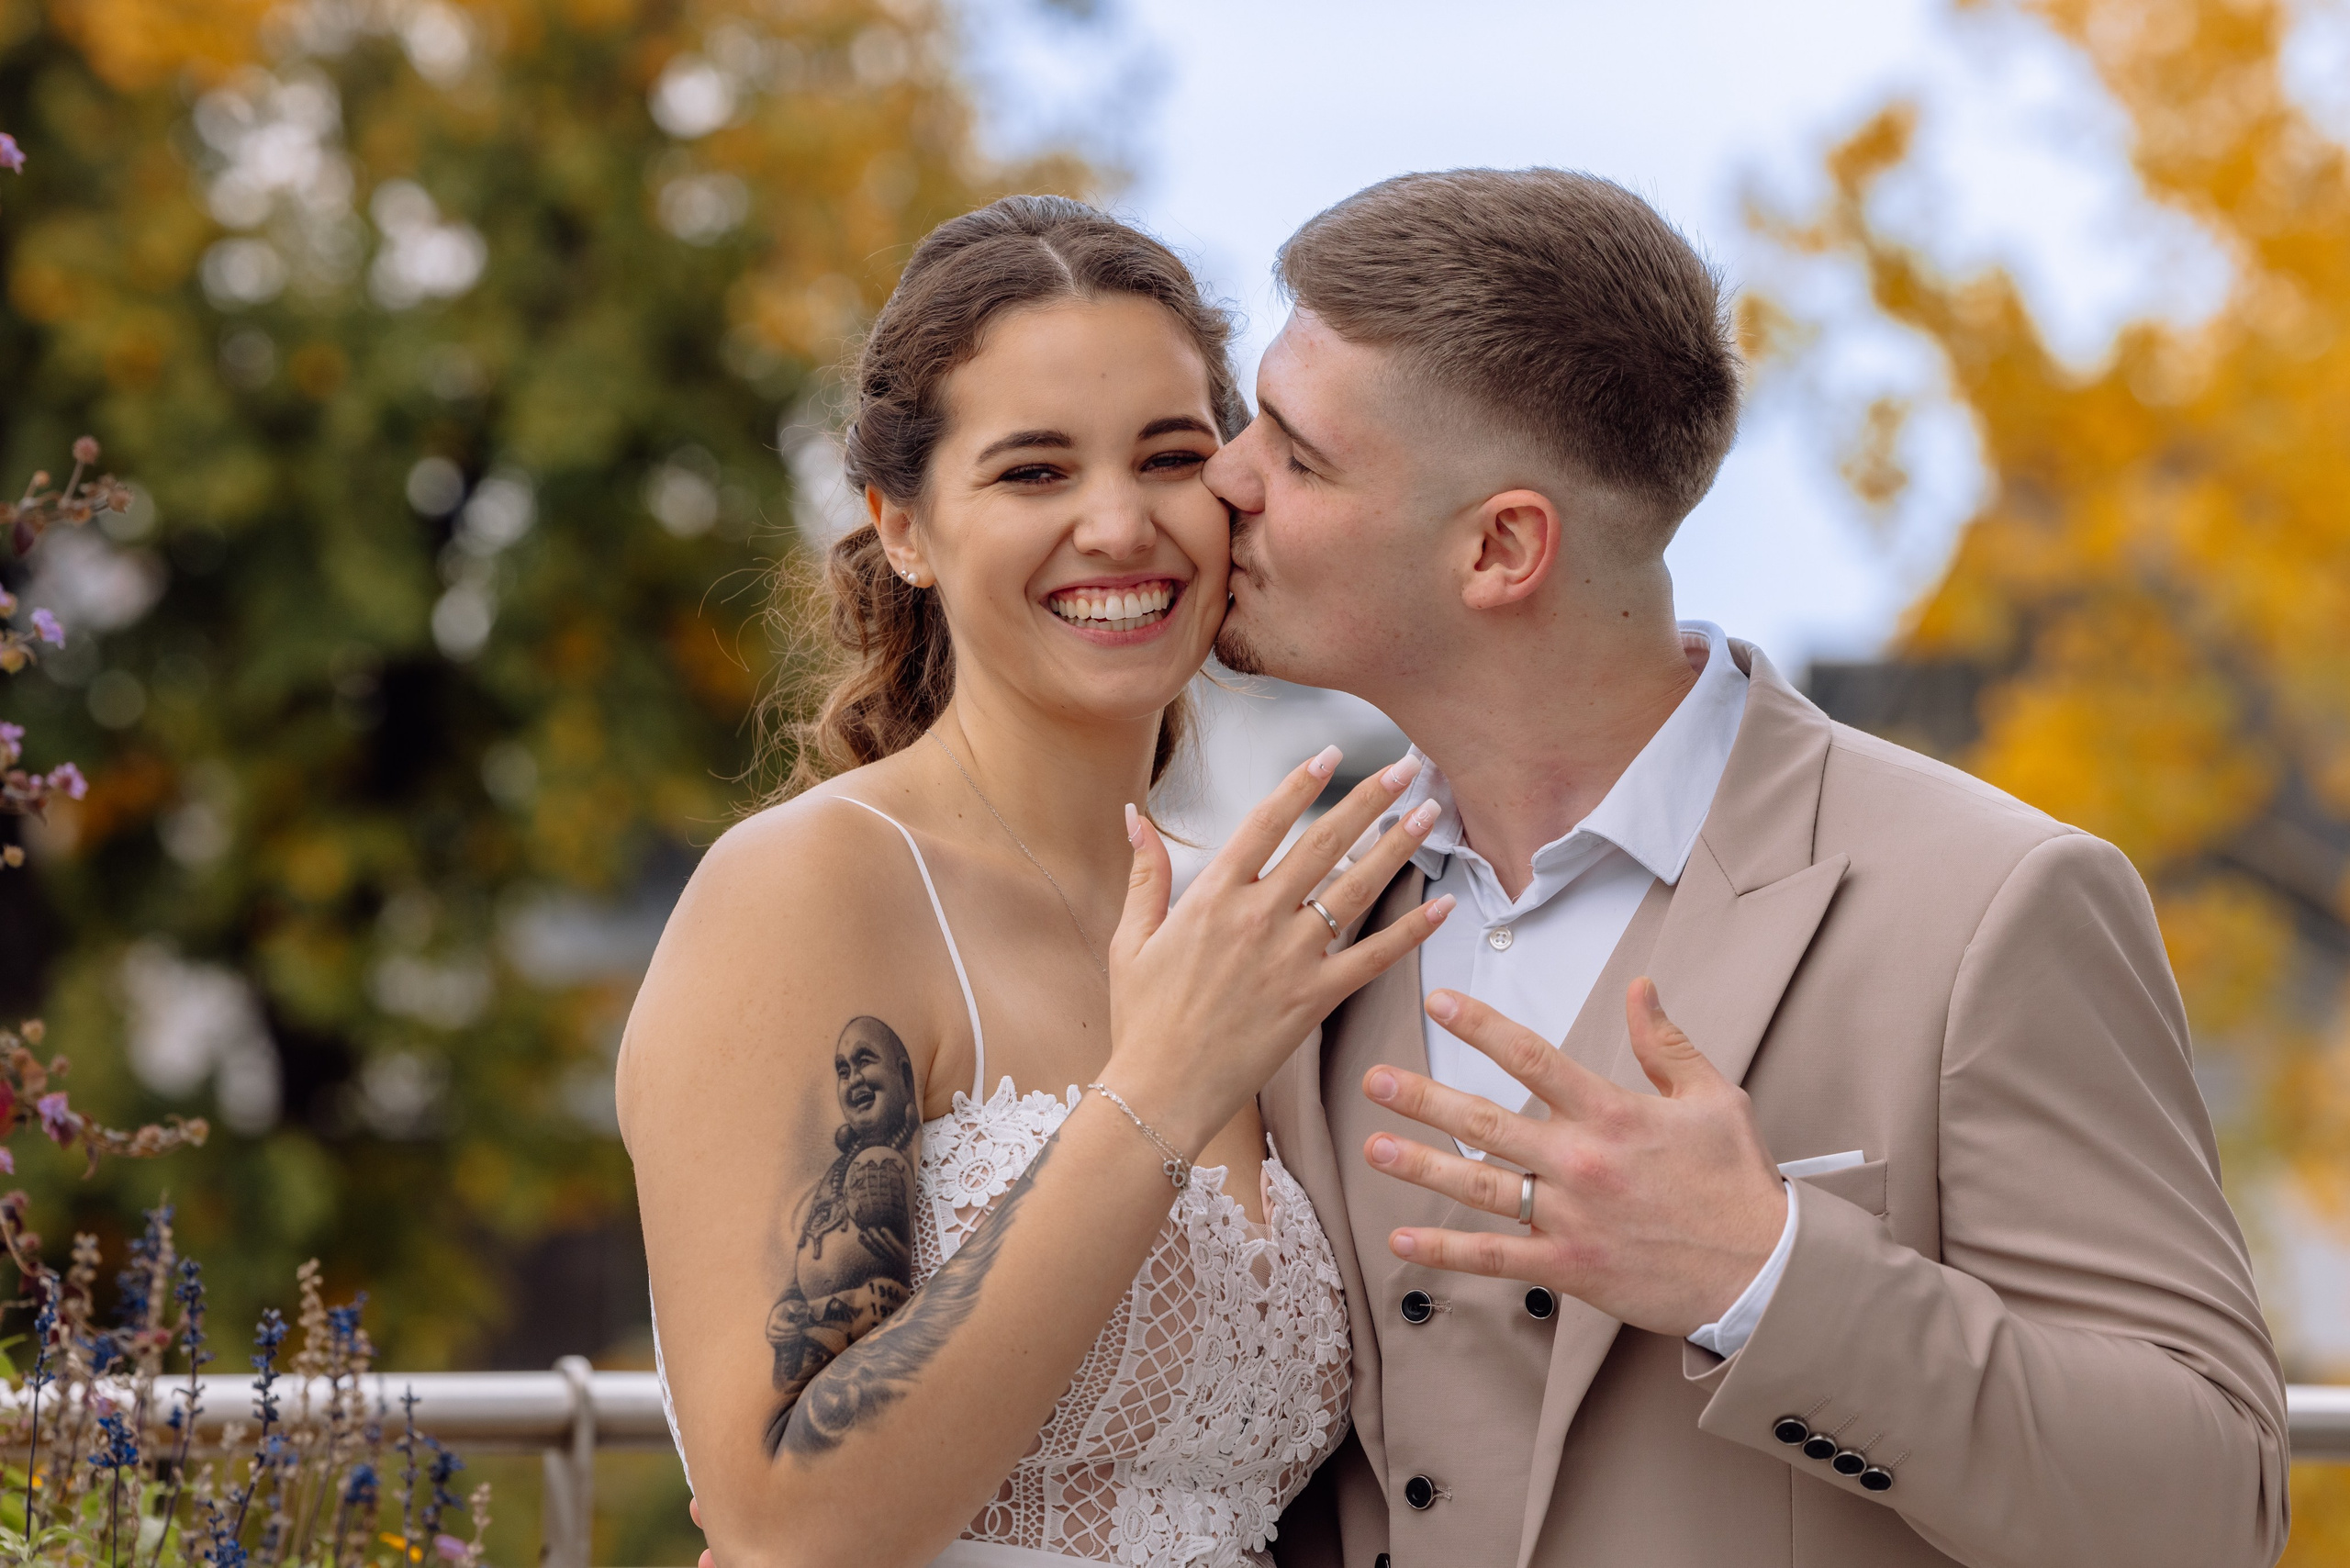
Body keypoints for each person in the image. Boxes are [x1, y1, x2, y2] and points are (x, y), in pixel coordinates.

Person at [1197, 169, 2291, 1567]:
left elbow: (2211, 1509)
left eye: (1296, 456)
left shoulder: (1991, 904)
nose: (1224, 477)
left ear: (1501, 547)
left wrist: (1767, 1273)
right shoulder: (1284, 910)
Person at [618, 195, 1458, 1568]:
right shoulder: (809, 892)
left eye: (1170, 457)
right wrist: (1158, 1093)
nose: (1120, 525)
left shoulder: (1251, 927)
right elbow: (786, 1524)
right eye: (1033, 472)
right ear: (902, 527)